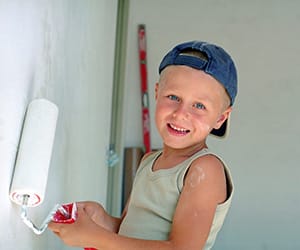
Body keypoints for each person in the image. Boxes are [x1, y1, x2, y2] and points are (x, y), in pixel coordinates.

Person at [49, 40, 238, 250]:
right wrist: (100, 219)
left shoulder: (204, 169)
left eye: (199, 105)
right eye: (173, 97)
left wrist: (94, 237)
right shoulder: (149, 161)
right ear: (156, 93)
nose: (181, 113)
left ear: (221, 118)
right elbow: (128, 233)